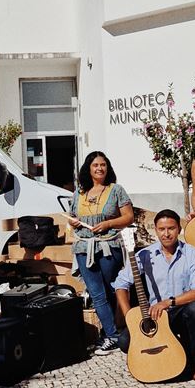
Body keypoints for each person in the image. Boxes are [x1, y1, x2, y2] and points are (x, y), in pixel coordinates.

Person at [113, 209, 195, 381]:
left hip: (182, 311)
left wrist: (168, 302)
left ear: (179, 229)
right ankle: (164, 354)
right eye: (162, 229)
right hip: (155, 316)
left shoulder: (192, 253)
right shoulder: (145, 254)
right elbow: (121, 284)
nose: (166, 234)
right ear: (156, 230)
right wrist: (130, 316)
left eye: (171, 228)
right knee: (124, 341)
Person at [68, 151, 134, 356]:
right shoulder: (79, 193)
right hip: (83, 247)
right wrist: (72, 221)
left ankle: (111, 333)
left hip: (108, 245)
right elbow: (71, 215)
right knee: (96, 293)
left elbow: (129, 217)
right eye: (95, 165)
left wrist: (108, 223)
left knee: (110, 289)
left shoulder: (116, 190)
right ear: (88, 168)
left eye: (103, 165)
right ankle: (113, 336)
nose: (99, 168)